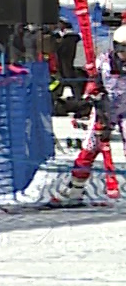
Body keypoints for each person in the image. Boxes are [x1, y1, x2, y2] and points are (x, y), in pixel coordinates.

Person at [53, 24, 126, 205]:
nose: (124, 54)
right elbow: (92, 86)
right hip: (105, 110)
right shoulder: (104, 62)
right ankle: (75, 189)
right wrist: (95, 94)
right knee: (90, 148)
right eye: (121, 49)